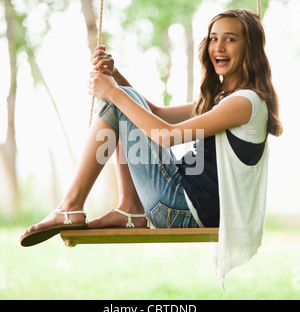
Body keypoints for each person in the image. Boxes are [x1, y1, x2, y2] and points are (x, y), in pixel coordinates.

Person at [20, 8, 282, 270]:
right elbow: (154, 113)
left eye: (230, 39)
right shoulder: (224, 100)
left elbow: (167, 136)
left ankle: (71, 207)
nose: (219, 47)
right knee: (122, 103)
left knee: (118, 103)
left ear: (250, 48)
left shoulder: (244, 103)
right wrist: (116, 77)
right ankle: (129, 207)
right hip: (188, 208)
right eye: (213, 38)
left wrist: (113, 93)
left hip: (183, 210)